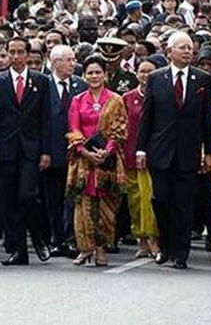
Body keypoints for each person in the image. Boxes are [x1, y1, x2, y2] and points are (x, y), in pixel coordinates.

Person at [136, 31, 211, 270]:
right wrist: (141, 149)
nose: (188, 51)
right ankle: (166, 245)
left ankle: (181, 254)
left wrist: (209, 151)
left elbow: (207, 118)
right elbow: (147, 116)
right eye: (182, 47)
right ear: (169, 51)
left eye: (190, 47)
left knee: (184, 204)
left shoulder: (202, 79)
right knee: (160, 200)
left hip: (188, 152)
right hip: (160, 151)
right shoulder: (156, 78)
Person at [0, 37, 52, 266]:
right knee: (9, 200)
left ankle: (38, 235)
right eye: (11, 52)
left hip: (31, 149)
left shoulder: (41, 81)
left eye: (20, 52)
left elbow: (46, 118)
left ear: (27, 54)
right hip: (5, 148)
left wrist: (46, 151)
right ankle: (18, 249)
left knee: (27, 195)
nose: (15, 56)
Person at [66, 55, 127, 267]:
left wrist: (106, 151)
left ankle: (101, 249)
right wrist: (84, 151)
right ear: (84, 75)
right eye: (90, 73)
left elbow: (120, 130)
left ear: (105, 74)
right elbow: (73, 129)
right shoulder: (77, 100)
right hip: (84, 161)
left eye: (97, 72)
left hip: (107, 162)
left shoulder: (116, 100)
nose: (94, 76)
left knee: (106, 205)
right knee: (83, 205)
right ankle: (86, 248)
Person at [44, 44, 87, 258]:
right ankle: (55, 239)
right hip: (51, 150)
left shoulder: (81, 85)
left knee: (72, 197)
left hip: (77, 151)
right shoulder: (43, 84)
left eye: (73, 59)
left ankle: (71, 239)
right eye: (68, 60)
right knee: (52, 197)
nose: (73, 64)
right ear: (55, 62)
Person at [122, 56, 161, 258]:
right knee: (135, 201)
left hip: (153, 154)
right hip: (130, 154)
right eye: (142, 71)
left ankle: (154, 238)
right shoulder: (127, 98)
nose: (146, 75)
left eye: (150, 71)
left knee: (149, 199)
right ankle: (141, 239)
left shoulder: (162, 95)